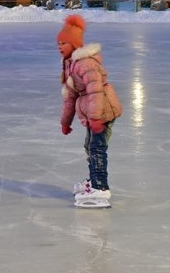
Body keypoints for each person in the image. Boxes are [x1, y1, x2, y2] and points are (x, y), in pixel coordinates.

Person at [57, 14, 122, 207]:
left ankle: (100, 187)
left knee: (96, 148)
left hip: (102, 111)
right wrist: (65, 122)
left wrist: (95, 119)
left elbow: (95, 91)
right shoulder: (70, 65)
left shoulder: (85, 64)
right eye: (58, 43)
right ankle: (94, 180)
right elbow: (70, 97)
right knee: (90, 147)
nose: (60, 47)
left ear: (74, 45)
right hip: (93, 113)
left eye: (64, 43)